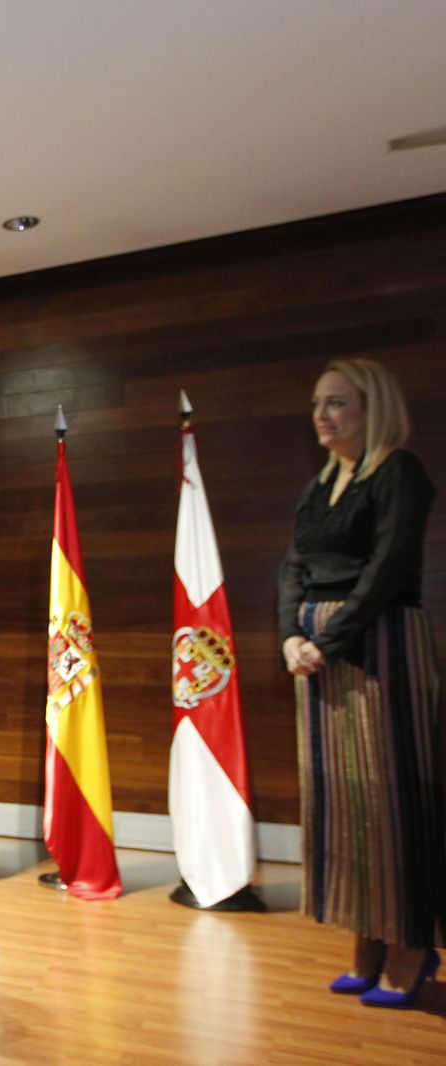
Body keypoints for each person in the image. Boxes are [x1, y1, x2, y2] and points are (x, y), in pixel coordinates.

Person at [278, 358, 443, 1008]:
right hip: (318, 652)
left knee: (391, 800)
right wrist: (291, 634)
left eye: (338, 403)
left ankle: (410, 943)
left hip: (379, 645)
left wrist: (326, 640)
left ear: (372, 408)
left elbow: (388, 568)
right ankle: (367, 939)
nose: (323, 415)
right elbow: (293, 564)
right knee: (344, 803)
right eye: (318, 403)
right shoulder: (319, 486)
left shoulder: (399, 472)